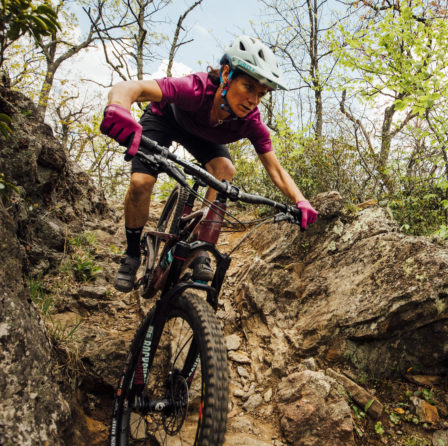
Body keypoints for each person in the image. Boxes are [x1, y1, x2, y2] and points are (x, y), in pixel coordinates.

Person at [99, 35, 318, 292]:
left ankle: (200, 244)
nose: (254, 100)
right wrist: (118, 108)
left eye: (261, 94)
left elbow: (276, 169)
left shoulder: (251, 121)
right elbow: (130, 88)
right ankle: (132, 253)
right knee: (140, 182)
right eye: (248, 87)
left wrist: (300, 200)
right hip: (165, 119)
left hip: (205, 137)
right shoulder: (195, 89)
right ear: (226, 74)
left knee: (225, 171)